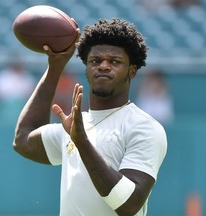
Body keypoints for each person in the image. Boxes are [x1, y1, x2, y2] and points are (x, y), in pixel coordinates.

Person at [13, 18, 167, 216]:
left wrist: (81, 142)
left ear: (132, 71)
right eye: (95, 61)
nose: (103, 66)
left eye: (114, 61)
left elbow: (128, 205)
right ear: (86, 68)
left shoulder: (143, 127)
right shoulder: (76, 124)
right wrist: (55, 66)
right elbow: (23, 140)